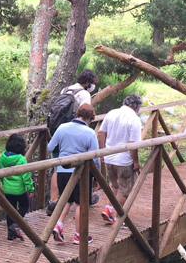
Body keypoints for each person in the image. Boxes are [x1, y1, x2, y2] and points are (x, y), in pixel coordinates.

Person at [46, 103, 100, 243]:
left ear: (77, 114)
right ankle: (79, 235)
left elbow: (50, 146)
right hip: (80, 173)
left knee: (66, 200)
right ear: (90, 118)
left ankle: (58, 225)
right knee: (81, 204)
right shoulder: (89, 133)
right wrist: (97, 177)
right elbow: (95, 157)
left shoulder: (62, 127)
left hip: (63, 171)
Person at [47, 69, 100, 210]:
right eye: (93, 83)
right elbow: (85, 112)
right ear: (88, 82)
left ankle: (53, 201)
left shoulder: (66, 89)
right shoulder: (84, 94)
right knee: (78, 167)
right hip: (75, 134)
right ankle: (82, 199)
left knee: (58, 168)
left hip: (59, 132)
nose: (93, 85)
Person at [97, 93, 143, 221]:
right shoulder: (134, 119)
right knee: (125, 190)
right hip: (124, 160)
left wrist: (102, 152)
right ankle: (117, 218)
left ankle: (108, 208)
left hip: (109, 157)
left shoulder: (111, 113)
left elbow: (100, 133)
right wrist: (136, 162)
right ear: (137, 106)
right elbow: (133, 144)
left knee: (114, 185)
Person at [0, 133, 33, 241]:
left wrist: (4, 183)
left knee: (10, 210)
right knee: (24, 206)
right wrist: (30, 188)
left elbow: (0, 173)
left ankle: (10, 234)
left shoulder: (2, 158)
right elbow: (26, 176)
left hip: (8, 189)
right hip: (20, 190)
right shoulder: (21, 159)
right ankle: (15, 224)